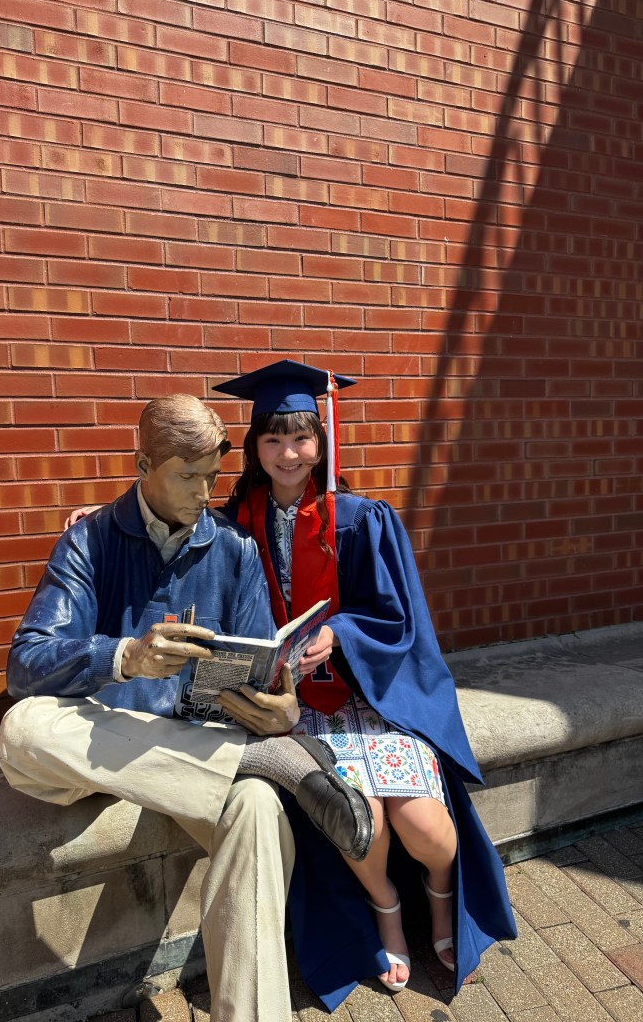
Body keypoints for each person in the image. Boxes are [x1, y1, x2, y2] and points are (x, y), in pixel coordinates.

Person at [0, 393, 374, 1022]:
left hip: (196, 752)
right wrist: (125, 657)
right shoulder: (90, 539)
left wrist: (281, 712)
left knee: (258, 809)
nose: (204, 493)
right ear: (143, 464)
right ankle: (272, 761)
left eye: (212, 476)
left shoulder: (233, 549)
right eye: (187, 476)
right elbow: (25, 664)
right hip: (93, 748)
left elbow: (265, 663)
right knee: (22, 727)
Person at [208, 360, 517, 1006]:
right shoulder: (235, 524)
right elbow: (172, 542)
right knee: (362, 821)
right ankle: (386, 907)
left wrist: (341, 634)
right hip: (299, 708)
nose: (287, 454)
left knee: (425, 827)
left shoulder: (359, 518)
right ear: (254, 447)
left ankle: (440, 899)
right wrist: (100, 518)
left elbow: (397, 616)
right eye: (272, 439)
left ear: (320, 442)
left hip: (372, 697)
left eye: (300, 437)